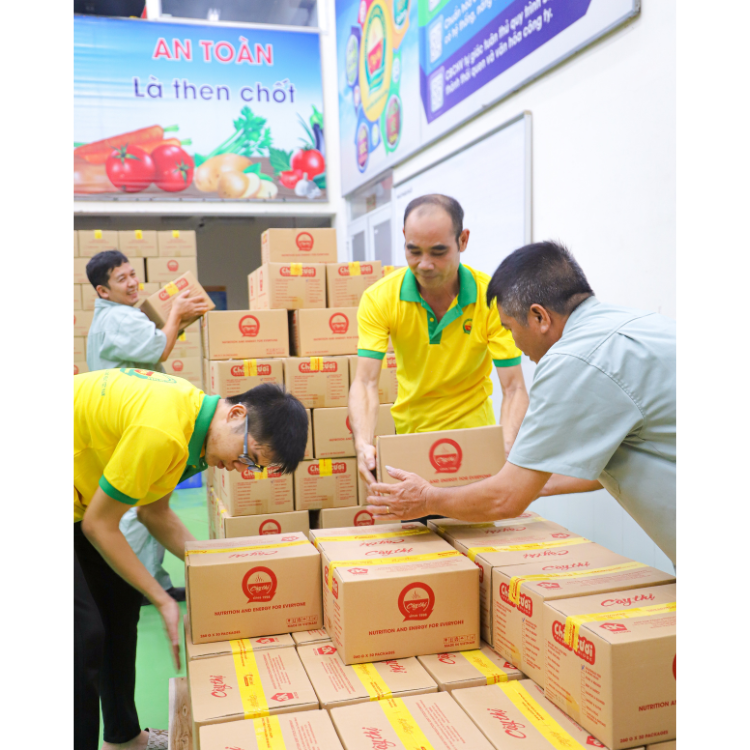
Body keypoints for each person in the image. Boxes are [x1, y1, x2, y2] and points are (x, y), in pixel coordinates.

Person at [365, 241, 676, 566]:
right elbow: (609, 461)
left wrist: (428, 499)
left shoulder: (571, 359)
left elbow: (506, 499)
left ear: (539, 317)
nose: (513, 341)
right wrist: (530, 482)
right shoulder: (634, 323)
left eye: (510, 328)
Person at [74, 370, 308, 750]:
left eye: (253, 467)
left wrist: (216, 570)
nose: (240, 469)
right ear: (236, 414)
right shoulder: (165, 430)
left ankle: (124, 738)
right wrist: (163, 599)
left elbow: (154, 512)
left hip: (80, 501)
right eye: (248, 456)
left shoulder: (196, 435)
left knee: (119, 603)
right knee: (82, 635)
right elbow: (100, 526)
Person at [349, 195, 529, 509]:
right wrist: (362, 443)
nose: (425, 264)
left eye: (438, 252)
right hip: (411, 443)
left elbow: (514, 387)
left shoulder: (491, 299)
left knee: (477, 531)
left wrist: (507, 444)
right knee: (417, 533)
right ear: (404, 239)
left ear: (463, 240)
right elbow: (365, 382)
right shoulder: (380, 298)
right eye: (414, 251)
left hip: (475, 443)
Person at [85, 249, 210, 604]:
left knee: (147, 501)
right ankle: (136, 586)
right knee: (131, 507)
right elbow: (160, 348)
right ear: (103, 291)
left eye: (131, 274)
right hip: (132, 421)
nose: (132, 283)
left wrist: (174, 321)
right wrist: (176, 314)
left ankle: (155, 580)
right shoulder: (121, 319)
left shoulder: (113, 317)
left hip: (123, 418)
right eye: (121, 279)